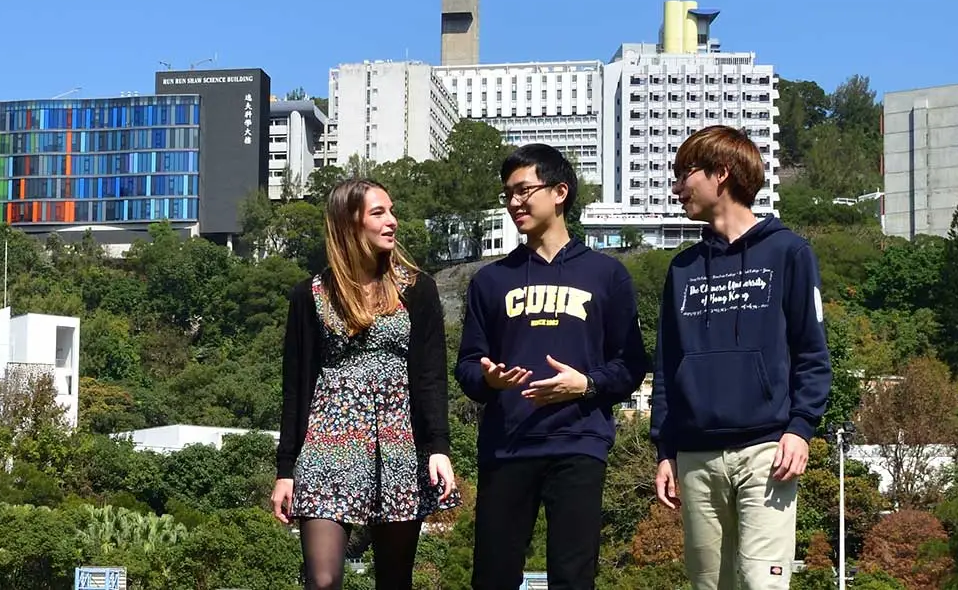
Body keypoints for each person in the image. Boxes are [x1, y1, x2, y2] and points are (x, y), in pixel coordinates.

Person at [455, 144, 651, 590]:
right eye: (508, 193)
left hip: (578, 444)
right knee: (493, 576)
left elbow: (631, 364)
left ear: (560, 191)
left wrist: (587, 385)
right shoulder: (490, 280)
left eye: (524, 190)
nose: (514, 203)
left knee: (573, 576)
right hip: (507, 446)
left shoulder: (607, 275)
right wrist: (487, 380)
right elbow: (466, 366)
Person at [651, 125, 832, 590]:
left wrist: (801, 427)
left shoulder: (789, 252)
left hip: (766, 452)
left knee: (761, 583)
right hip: (694, 454)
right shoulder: (682, 269)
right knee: (709, 586)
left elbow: (812, 351)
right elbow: (667, 365)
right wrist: (664, 449)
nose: (676, 189)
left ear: (721, 173)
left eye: (683, 174)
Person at [271, 178, 460, 590]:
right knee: (322, 581)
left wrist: (439, 447)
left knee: (394, 581)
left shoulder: (418, 289)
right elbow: (296, 387)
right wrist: (285, 470)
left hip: (399, 443)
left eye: (392, 212)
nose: (392, 221)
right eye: (379, 213)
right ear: (348, 224)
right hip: (327, 441)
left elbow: (430, 375)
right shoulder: (310, 295)